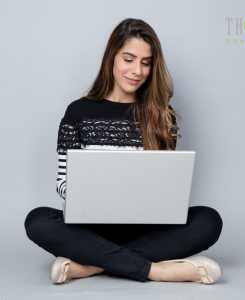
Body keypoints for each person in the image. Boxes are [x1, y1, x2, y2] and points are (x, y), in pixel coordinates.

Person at [24, 18, 223, 285]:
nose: (137, 70)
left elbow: (166, 187)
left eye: (145, 62)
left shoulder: (162, 116)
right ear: (112, 58)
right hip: (89, 226)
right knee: (37, 221)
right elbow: (62, 183)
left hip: (146, 228)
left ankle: (90, 265)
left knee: (209, 220)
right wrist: (90, 193)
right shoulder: (77, 112)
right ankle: (157, 270)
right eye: (128, 59)